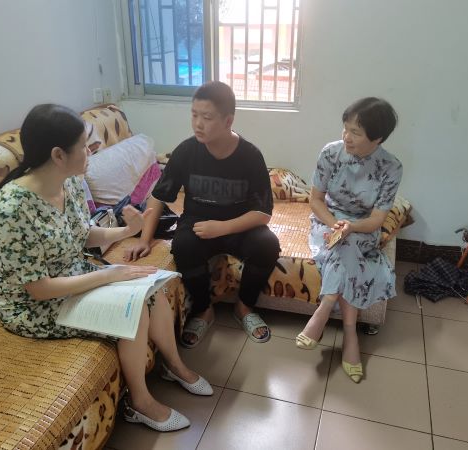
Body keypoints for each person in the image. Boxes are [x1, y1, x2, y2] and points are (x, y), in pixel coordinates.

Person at [0, 104, 212, 432]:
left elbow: (84, 233)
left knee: (152, 289)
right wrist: (106, 275)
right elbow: (38, 289)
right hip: (33, 307)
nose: (91, 152)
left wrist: (128, 231)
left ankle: (173, 366)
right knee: (132, 310)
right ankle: (139, 403)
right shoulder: (13, 209)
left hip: (75, 275)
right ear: (58, 155)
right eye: (84, 146)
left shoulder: (69, 182)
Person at [125, 81, 280, 348]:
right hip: (197, 225)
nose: (198, 124)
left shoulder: (250, 156)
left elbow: (263, 213)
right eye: (194, 115)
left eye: (206, 117)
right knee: (182, 245)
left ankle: (244, 306)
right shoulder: (187, 151)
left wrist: (222, 227)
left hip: (238, 226)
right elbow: (159, 196)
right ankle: (204, 310)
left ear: (228, 120)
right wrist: (144, 239)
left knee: (267, 244)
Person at [295, 97, 402, 384]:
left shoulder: (391, 167)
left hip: (363, 226)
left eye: (356, 132)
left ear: (377, 138)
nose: (347, 137)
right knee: (344, 246)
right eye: (345, 128)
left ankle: (326, 305)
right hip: (328, 220)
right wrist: (335, 225)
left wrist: (351, 227)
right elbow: (315, 200)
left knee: (350, 244)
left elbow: (377, 219)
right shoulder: (331, 153)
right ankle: (351, 333)